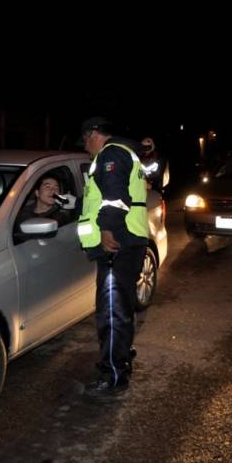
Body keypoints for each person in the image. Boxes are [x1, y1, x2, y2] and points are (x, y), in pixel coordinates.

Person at [77, 116, 148, 396]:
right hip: (129, 240)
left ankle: (113, 374)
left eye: (85, 140)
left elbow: (116, 198)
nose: (85, 147)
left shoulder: (112, 154)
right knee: (121, 308)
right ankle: (122, 359)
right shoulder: (127, 153)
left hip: (118, 242)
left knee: (111, 312)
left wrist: (107, 229)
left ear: (94, 133)